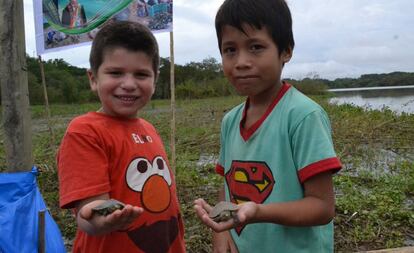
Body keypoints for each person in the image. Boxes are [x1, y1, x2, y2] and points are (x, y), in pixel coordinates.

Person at [193, 0, 342, 252]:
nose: (241, 61)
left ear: (286, 51)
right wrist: (221, 237)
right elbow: (226, 185)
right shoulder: (230, 121)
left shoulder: (303, 116)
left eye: (256, 47)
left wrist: (258, 212)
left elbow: (322, 207)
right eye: (230, 50)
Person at [57, 21, 185, 253]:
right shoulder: (85, 131)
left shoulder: (148, 128)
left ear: (155, 80)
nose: (129, 84)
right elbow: (87, 212)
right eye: (115, 73)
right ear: (93, 78)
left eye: (141, 74)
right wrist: (100, 220)